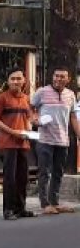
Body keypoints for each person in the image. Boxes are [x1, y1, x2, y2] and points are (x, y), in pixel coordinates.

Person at [31, 66, 80, 214]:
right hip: (45, 140)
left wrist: (79, 135)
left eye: (62, 76)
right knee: (44, 172)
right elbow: (30, 108)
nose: (58, 79)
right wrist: (34, 119)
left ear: (68, 79)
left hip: (63, 140)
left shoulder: (70, 95)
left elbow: (73, 117)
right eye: (56, 76)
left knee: (58, 172)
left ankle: (55, 202)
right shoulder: (42, 92)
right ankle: (45, 204)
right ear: (53, 77)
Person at [0, 68, 35, 220]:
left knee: (23, 177)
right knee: (10, 177)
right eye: (13, 79)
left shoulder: (26, 99)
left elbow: (29, 117)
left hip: (23, 142)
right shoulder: (2, 98)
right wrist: (11, 131)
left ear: (24, 80)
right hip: (8, 143)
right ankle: (8, 210)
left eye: (18, 78)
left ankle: (21, 208)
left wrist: (31, 125)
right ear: (8, 81)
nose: (16, 82)